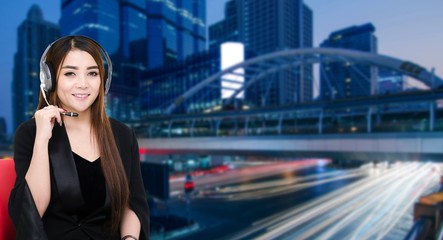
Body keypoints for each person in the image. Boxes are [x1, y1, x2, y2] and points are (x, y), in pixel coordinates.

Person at [8, 35, 150, 239]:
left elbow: (132, 203)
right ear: (49, 81)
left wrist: (129, 238)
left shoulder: (122, 134)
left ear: (104, 80)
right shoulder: (30, 133)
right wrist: (42, 140)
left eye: (92, 73)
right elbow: (30, 212)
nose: (83, 84)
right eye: (70, 74)